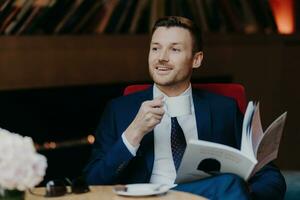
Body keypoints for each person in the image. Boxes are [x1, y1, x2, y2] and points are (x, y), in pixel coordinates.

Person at [84, 16, 286, 199]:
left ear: (196, 59)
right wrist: (133, 134)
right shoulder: (119, 110)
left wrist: (244, 194)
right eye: (155, 48)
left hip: (209, 196)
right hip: (149, 197)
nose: (161, 57)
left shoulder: (223, 109)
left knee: (229, 185)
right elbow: (92, 182)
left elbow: (269, 175)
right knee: (229, 185)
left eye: (174, 49)